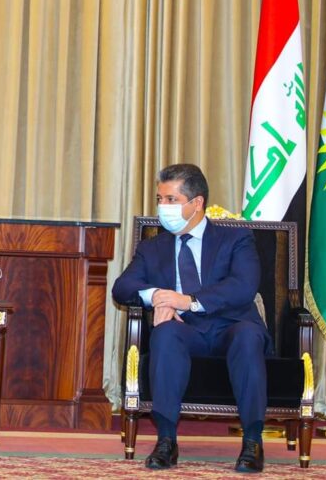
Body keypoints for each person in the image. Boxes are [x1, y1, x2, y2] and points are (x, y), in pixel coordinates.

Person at [112, 164, 269, 473]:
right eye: (160, 199)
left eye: (171, 199)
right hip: (185, 331)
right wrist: (159, 295)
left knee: (249, 337)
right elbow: (123, 288)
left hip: (231, 326)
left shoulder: (235, 239)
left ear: (197, 203)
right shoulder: (152, 248)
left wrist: (187, 301)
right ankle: (166, 440)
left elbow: (243, 286)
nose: (163, 207)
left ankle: (252, 441)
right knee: (165, 334)